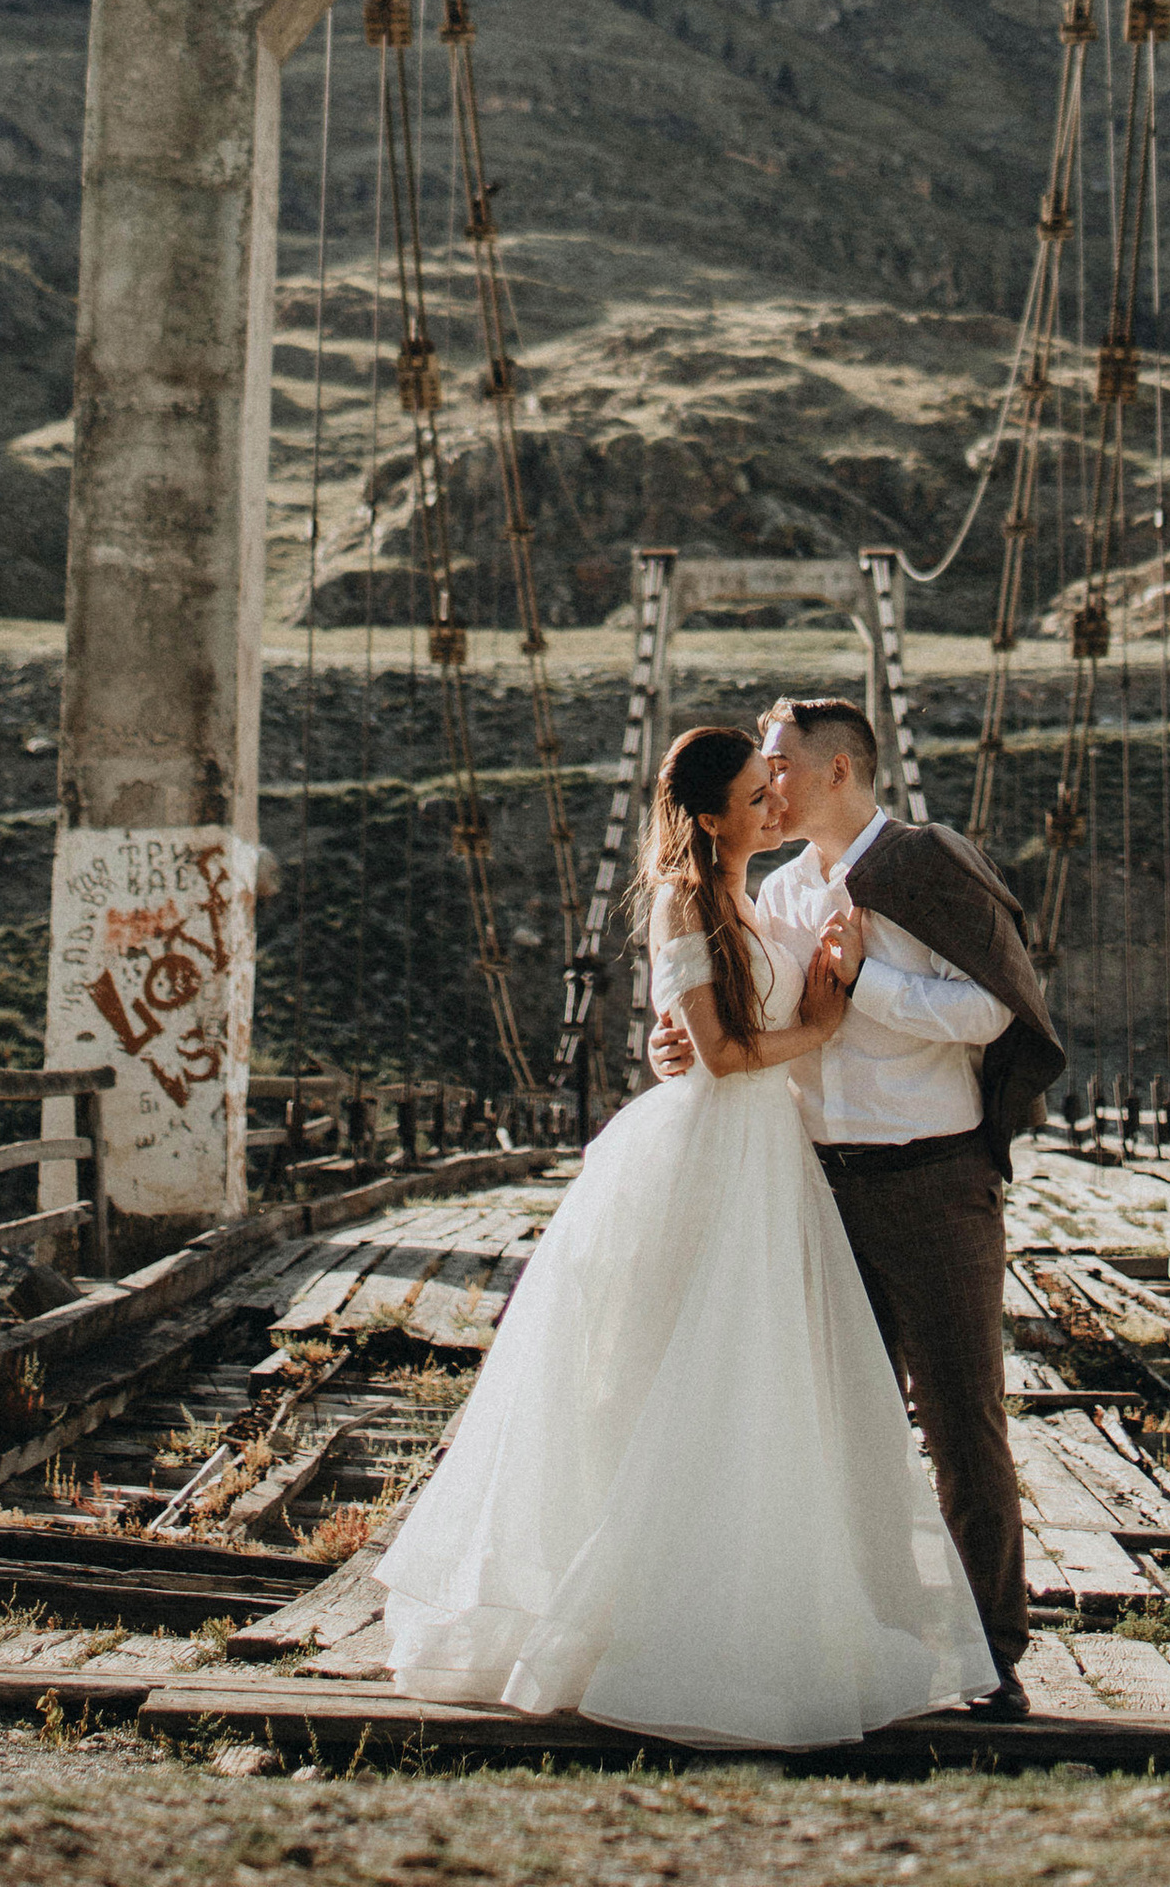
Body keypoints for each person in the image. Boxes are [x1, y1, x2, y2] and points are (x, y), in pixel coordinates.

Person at [376, 722, 997, 1749]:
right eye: (757, 792)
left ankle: (767, 1613)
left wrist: (828, 992)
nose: (774, 803)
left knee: (763, 1392)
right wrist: (824, 1022)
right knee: (675, 1383)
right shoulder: (688, 897)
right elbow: (717, 1051)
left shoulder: (774, 895)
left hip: (775, 1158)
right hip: (715, 1156)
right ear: (710, 815)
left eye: (776, 784)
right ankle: (642, 1620)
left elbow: (733, 1032)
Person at [648, 694, 1064, 1717]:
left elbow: (988, 1010)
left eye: (779, 766)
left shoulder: (928, 862)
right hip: (818, 1185)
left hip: (932, 1180)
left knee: (962, 1421)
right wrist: (680, 1051)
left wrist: (868, 980)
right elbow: (759, 1016)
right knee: (846, 1428)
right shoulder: (783, 892)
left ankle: (992, 1658)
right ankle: (872, 1645)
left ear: (839, 772)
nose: (765, 782)